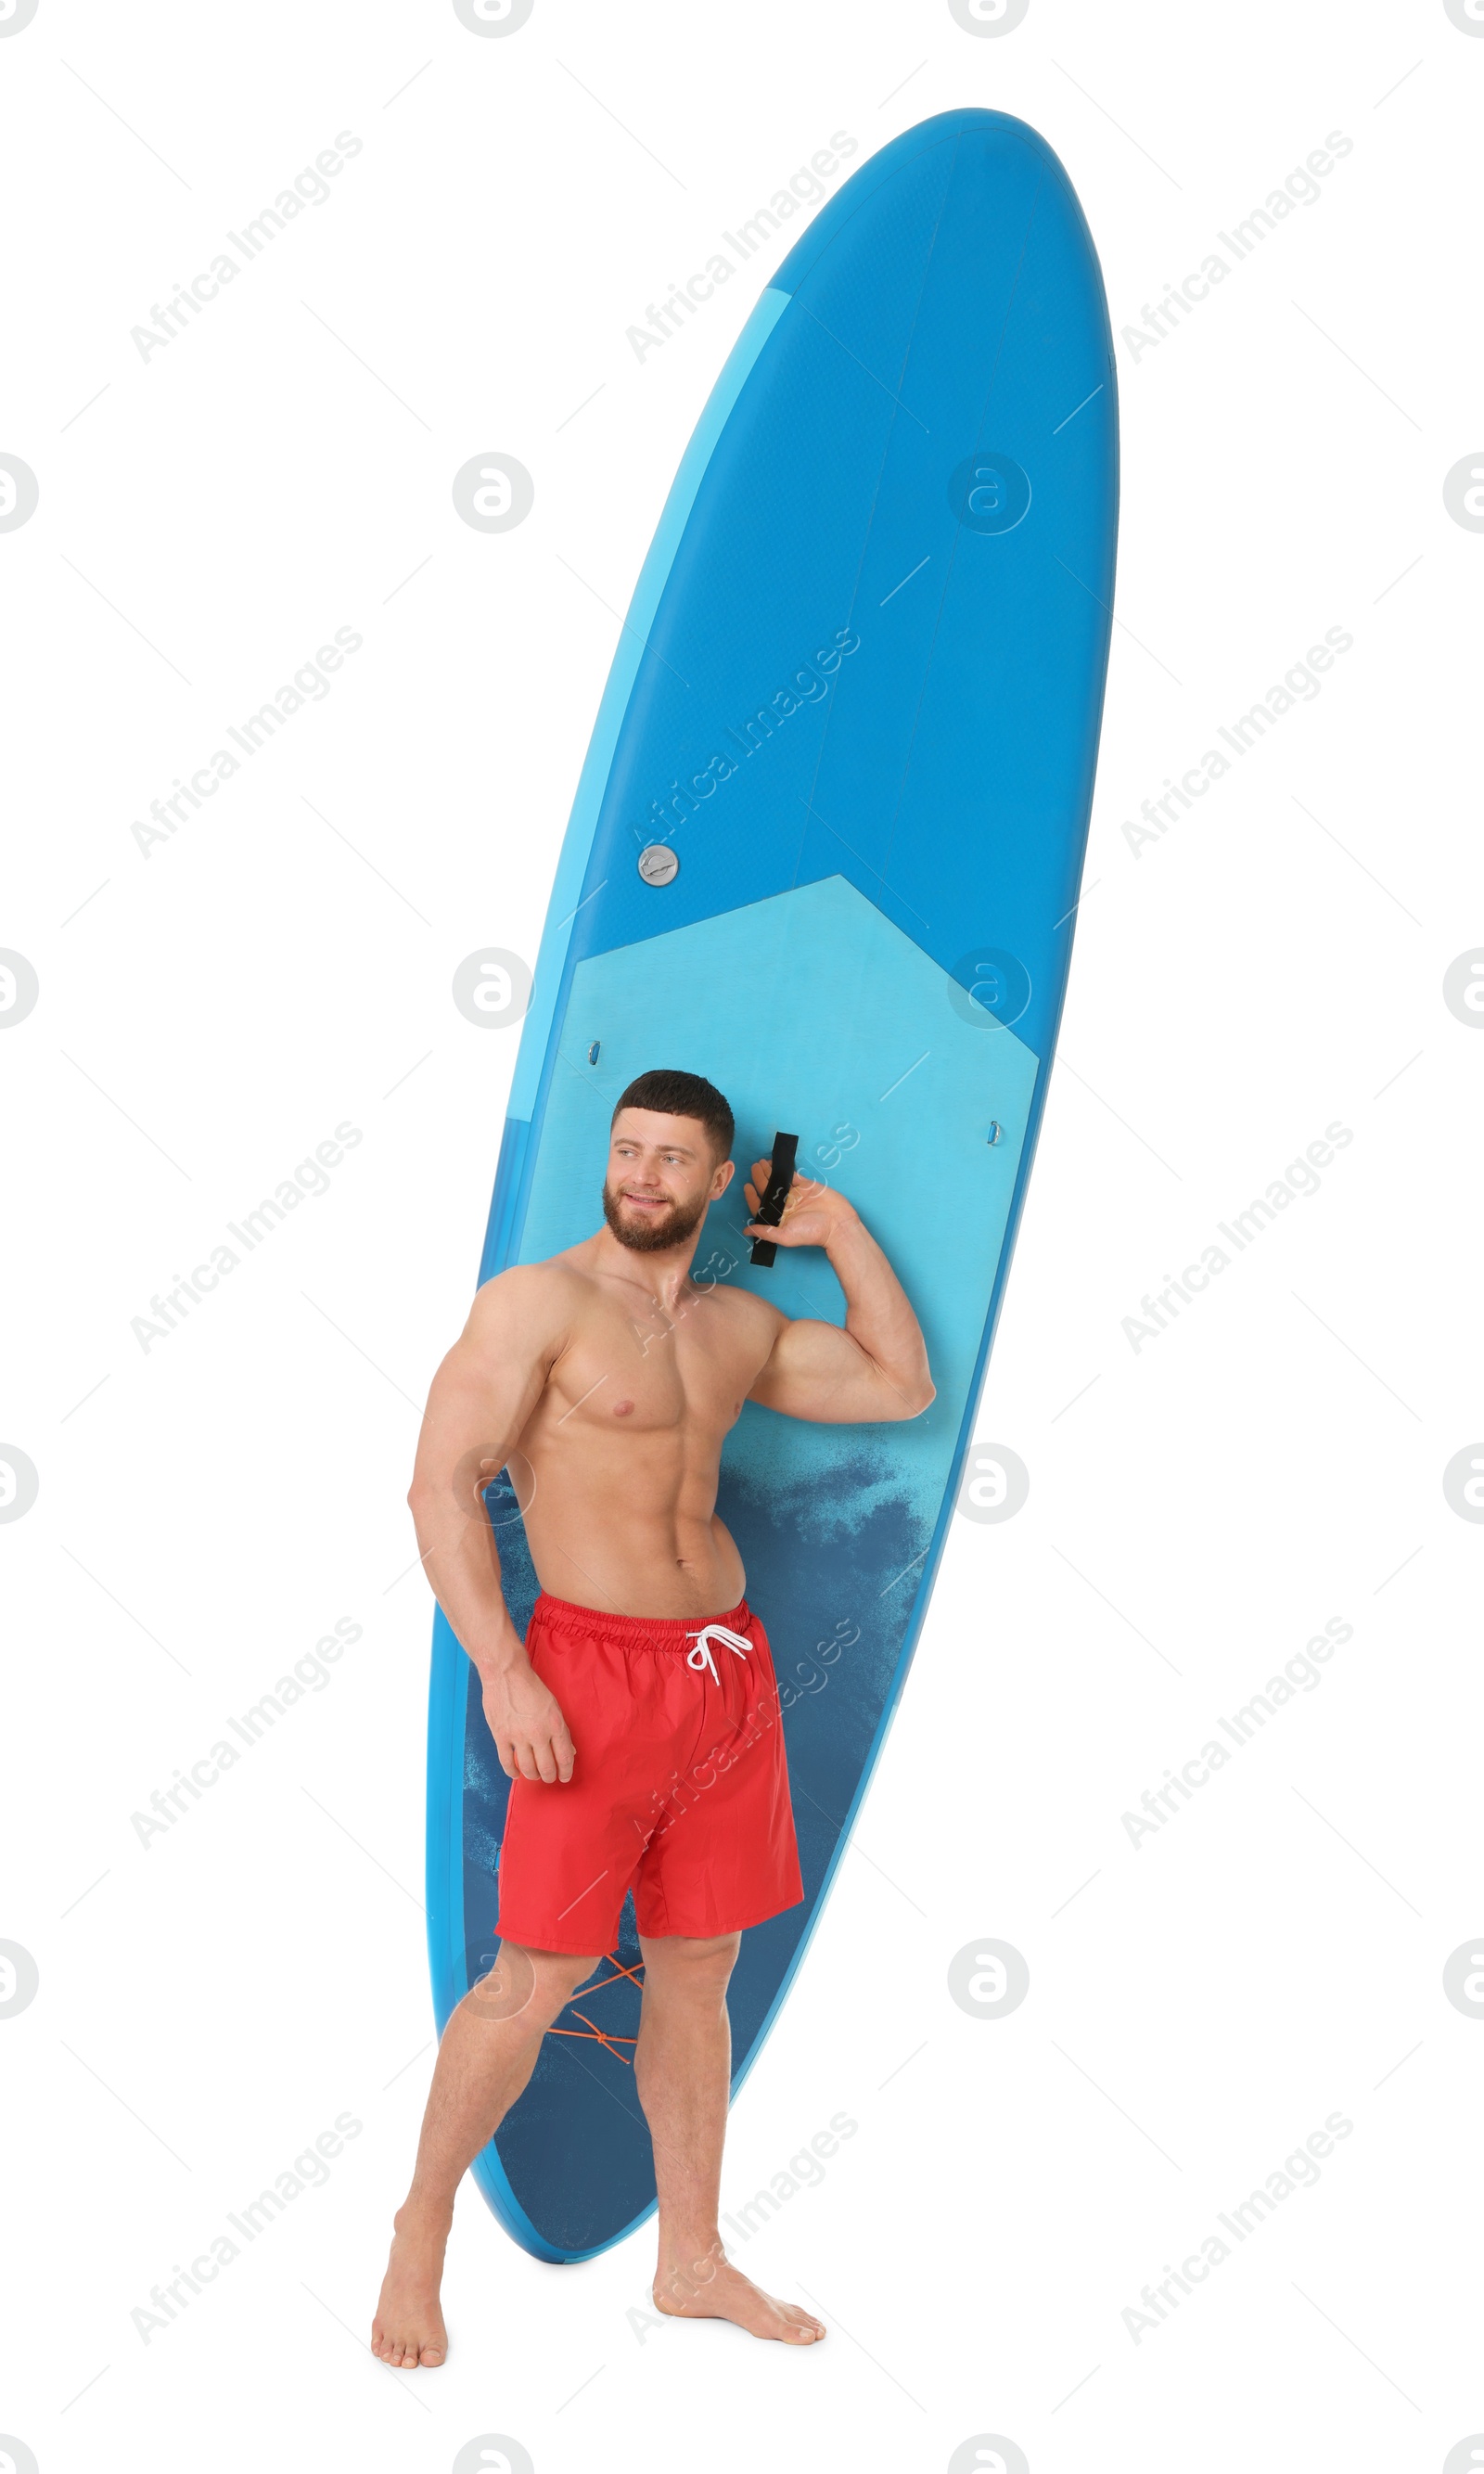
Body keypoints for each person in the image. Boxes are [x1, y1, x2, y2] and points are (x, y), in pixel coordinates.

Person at [372, 1067, 933, 2365]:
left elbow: (900, 1387)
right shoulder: (539, 1305)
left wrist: (840, 1231)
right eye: (628, 1151)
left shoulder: (734, 1327)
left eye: (672, 1159)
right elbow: (438, 1485)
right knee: (537, 1977)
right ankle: (419, 2227)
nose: (641, 1176)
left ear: (719, 1180)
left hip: (726, 1675)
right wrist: (505, 1670)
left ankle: (692, 2260)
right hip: (587, 1675)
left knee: (700, 1967)